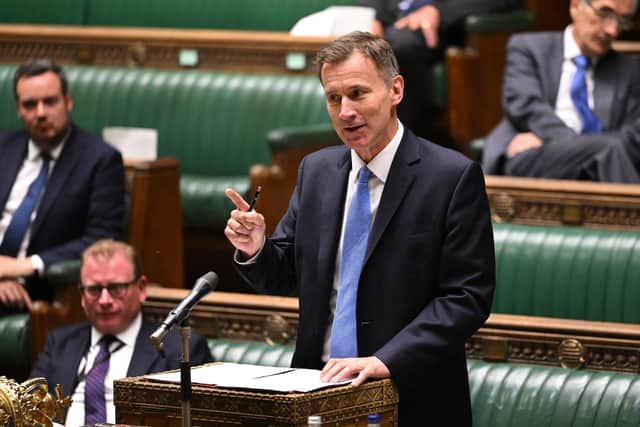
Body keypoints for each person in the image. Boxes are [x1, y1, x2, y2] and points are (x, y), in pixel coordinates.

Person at [224, 32, 495, 425]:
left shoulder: (451, 177)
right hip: (316, 392)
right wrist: (256, 247)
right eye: (334, 98)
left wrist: (387, 360)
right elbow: (282, 275)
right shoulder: (316, 171)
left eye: (357, 93)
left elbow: (467, 296)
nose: (345, 111)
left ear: (395, 90)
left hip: (409, 394)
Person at [30, 239, 213, 426]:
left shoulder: (181, 348)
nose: (104, 300)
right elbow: (29, 409)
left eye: (116, 288)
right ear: (82, 294)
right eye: (94, 289)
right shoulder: (60, 342)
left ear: (141, 288)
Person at [0, 59, 125, 311]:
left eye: (50, 101)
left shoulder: (100, 160)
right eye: (30, 104)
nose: (41, 112)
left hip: (40, 287)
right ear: (18, 109)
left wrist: (28, 265)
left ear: (67, 102)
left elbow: (101, 238)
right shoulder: (3, 147)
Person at [482, 0, 640, 182]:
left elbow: (633, 135)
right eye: (604, 13)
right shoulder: (529, 48)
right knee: (609, 149)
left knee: (610, 150)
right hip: (534, 153)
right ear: (575, 6)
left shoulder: (629, 70)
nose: (612, 30)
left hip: (602, 166)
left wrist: (580, 146)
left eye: (623, 21)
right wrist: (571, 144)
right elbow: (525, 106)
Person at [357, 0, 522, 138]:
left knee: (399, 46)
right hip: (391, 21)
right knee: (355, 45)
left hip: (445, 28)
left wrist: (440, 11)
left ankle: (400, 148)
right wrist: (373, 15)